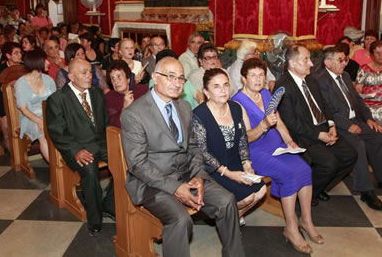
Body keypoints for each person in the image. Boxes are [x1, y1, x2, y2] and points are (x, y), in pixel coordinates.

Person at [121, 57, 245, 257]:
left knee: (227, 201)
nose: (177, 83)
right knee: (180, 220)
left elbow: (194, 147)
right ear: (154, 77)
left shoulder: (184, 108)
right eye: (170, 77)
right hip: (153, 183)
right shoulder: (134, 114)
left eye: (181, 78)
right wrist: (175, 187)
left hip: (187, 174)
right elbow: (138, 164)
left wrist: (199, 176)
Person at [232, 58, 321, 254]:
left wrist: (289, 140)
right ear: (243, 79)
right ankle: (291, 228)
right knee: (288, 174)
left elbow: (278, 121)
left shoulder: (265, 93)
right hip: (256, 152)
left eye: (261, 75)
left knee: (305, 169)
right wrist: (263, 125)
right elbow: (246, 138)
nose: (258, 79)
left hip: (277, 145)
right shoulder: (237, 103)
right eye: (253, 75)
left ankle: (306, 220)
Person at [314, 46, 382, 211]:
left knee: (379, 136)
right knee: (358, 145)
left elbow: (359, 101)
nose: (345, 63)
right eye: (340, 60)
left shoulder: (344, 76)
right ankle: (366, 191)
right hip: (338, 125)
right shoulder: (320, 81)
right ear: (327, 62)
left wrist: (369, 119)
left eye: (345, 59)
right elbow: (325, 110)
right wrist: (348, 125)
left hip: (356, 120)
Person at [276, 45, 357, 206]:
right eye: (306, 60)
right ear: (292, 64)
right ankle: (304, 196)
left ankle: (317, 189)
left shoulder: (311, 80)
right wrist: (320, 135)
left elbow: (325, 106)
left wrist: (332, 125)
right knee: (329, 163)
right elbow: (291, 122)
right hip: (304, 136)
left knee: (351, 155)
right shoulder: (283, 86)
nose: (311, 64)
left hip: (323, 128)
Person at [46, 59, 114, 237]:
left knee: (126, 162)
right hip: (77, 146)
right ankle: (95, 219)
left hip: (100, 142)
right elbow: (57, 132)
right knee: (90, 172)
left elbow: (104, 122)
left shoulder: (97, 93)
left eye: (90, 72)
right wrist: (75, 150)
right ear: (71, 76)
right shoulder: (58, 99)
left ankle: (110, 204)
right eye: (84, 73)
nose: (89, 76)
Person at [193, 68, 266, 224]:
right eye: (216, 86)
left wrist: (247, 164)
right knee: (248, 198)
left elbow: (242, 140)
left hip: (234, 161)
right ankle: (226, 216)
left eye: (226, 85)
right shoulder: (199, 115)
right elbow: (203, 153)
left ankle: (230, 219)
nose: (223, 90)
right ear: (206, 91)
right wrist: (229, 174)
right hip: (213, 169)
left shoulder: (235, 107)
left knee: (261, 190)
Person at [14, 49, 56, 162]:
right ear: (37, 62)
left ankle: (67, 161)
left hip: (48, 113)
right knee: (42, 131)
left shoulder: (48, 80)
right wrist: (39, 120)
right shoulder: (21, 83)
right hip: (30, 117)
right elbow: (24, 109)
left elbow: (56, 101)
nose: (48, 63)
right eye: (45, 60)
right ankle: (55, 167)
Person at [0, 42, 23, 152]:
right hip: (3, 101)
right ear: (8, 56)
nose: (20, 55)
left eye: (20, 53)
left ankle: (22, 149)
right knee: (6, 124)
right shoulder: (0, 69)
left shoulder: (24, 67)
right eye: (16, 53)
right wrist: (10, 84)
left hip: (22, 100)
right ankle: (12, 151)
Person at [105, 60, 148, 128]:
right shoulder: (109, 98)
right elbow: (115, 125)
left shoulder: (143, 90)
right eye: (112, 78)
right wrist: (125, 108)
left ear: (128, 78)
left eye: (119, 77)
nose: (116, 82)